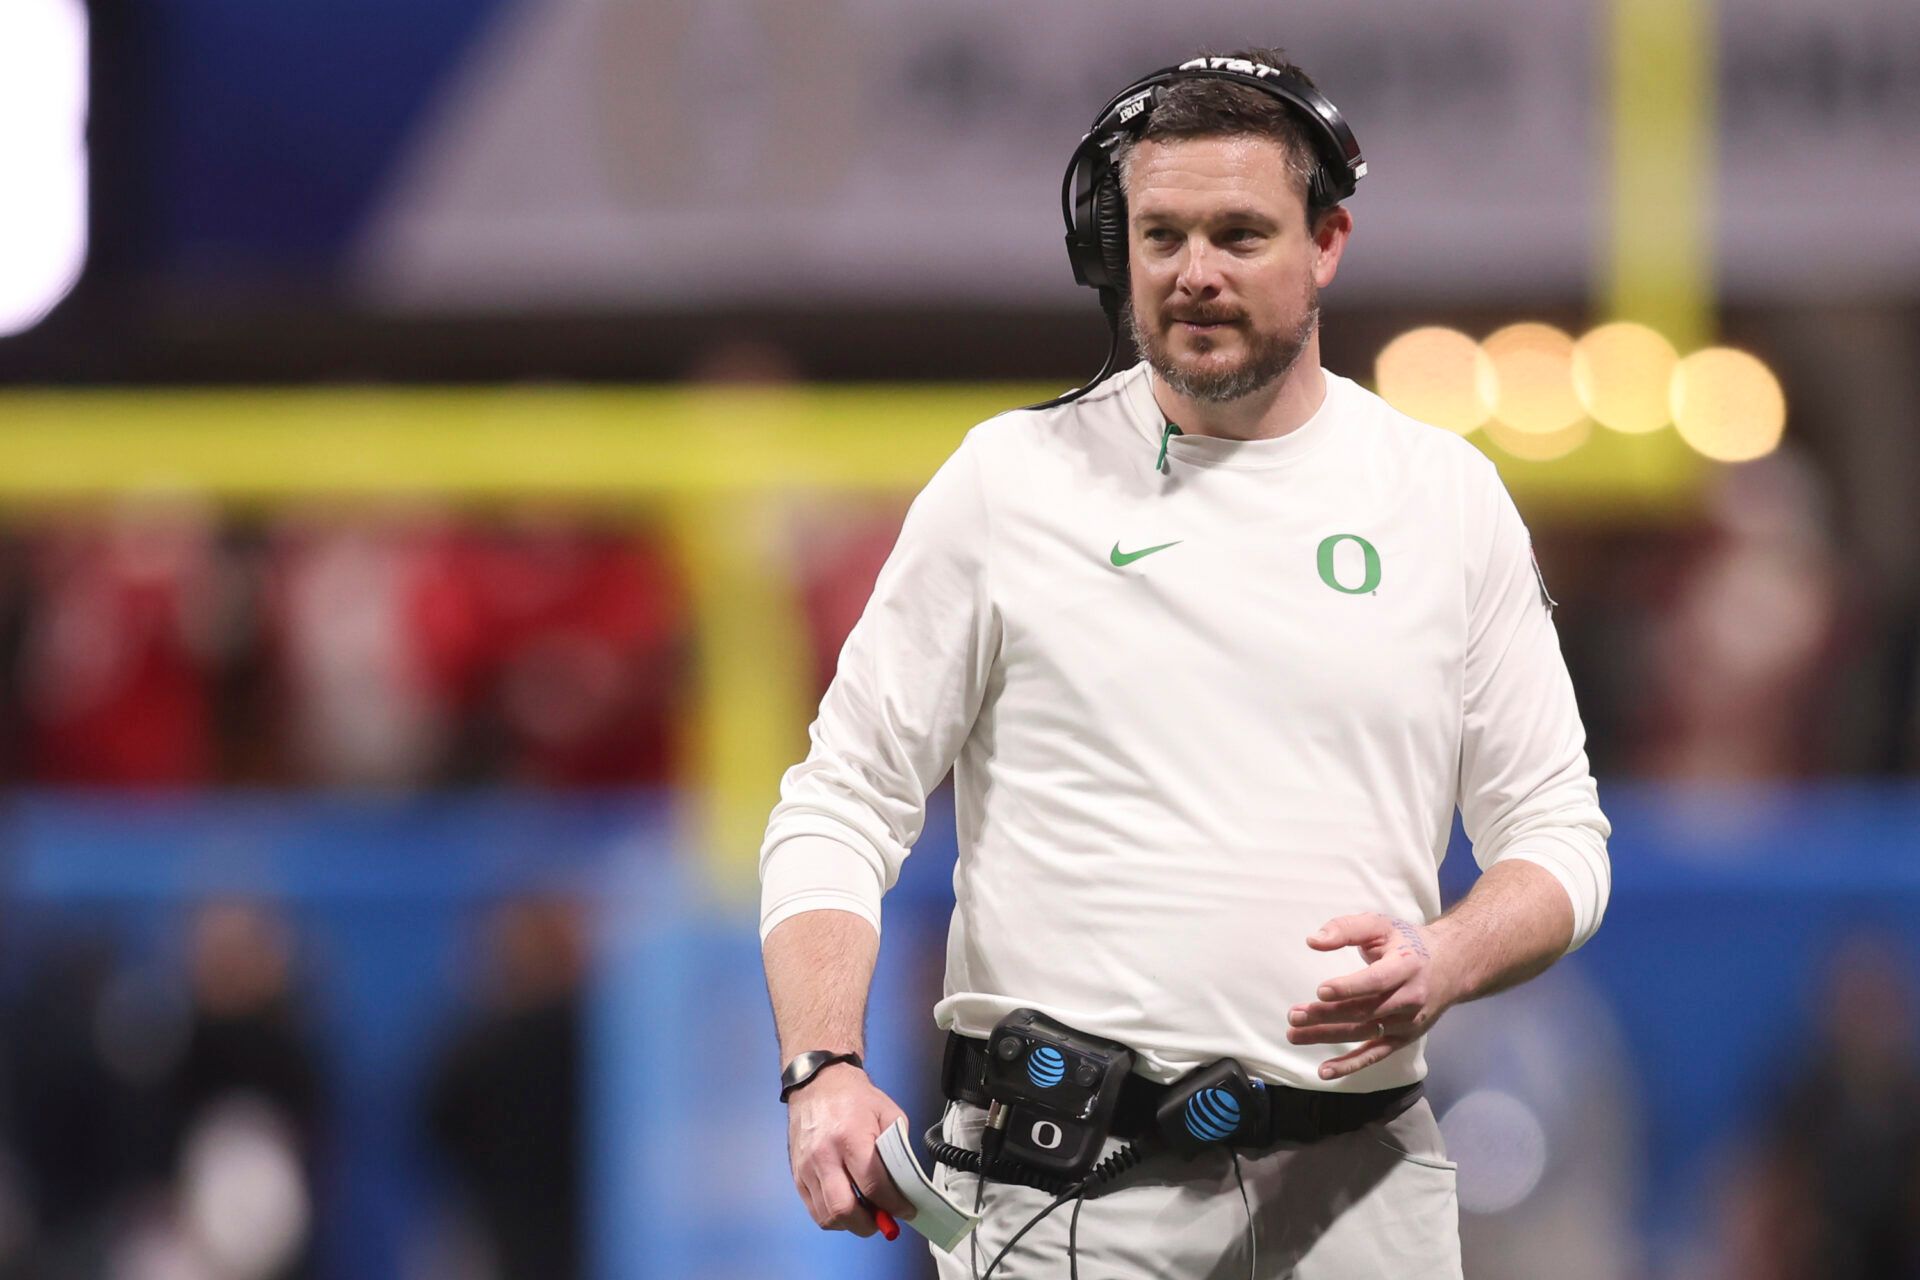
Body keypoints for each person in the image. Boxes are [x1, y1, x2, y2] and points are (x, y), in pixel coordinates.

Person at [759, 46, 1611, 1279]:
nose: (1194, 271)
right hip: (1068, 1201)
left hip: (1366, 1185)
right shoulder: (1011, 483)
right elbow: (840, 798)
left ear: (1327, 242)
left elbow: (1560, 837)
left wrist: (1447, 957)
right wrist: (822, 1065)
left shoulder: (1445, 496)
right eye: (1160, 235)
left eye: (1239, 234)